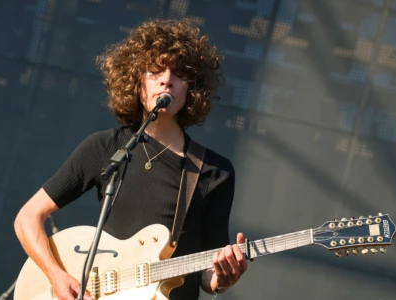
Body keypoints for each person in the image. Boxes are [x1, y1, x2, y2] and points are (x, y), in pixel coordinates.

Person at [14, 19, 248, 300]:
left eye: (179, 74)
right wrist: (56, 274)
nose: (166, 80)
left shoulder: (215, 172)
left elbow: (209, 276)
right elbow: (27, 218)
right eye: (154, 71)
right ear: (136, 83)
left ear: (190, 90)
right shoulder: (106, 147)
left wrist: (225, 276)